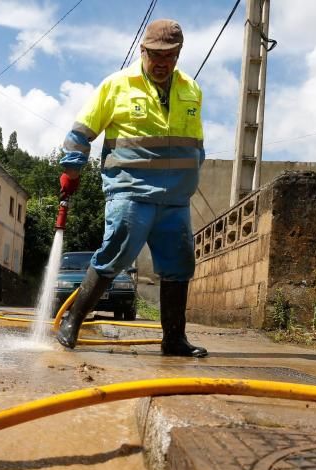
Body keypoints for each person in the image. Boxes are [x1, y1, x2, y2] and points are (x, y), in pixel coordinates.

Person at [55, 18, 207, 357]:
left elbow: (197, 143)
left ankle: (174, 339)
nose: (161, 62)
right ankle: (73, 320)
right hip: (131, 189)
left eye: (168, 55)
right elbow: (81, 133)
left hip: (176, 198)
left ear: (179, 55)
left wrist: (194, 170)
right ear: (142, 51)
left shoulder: (191, 90)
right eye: (154, 55)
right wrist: (72, 171)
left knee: (180, 263)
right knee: (117, 253)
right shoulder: (116, 85)